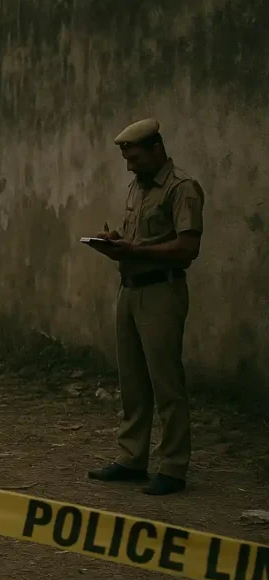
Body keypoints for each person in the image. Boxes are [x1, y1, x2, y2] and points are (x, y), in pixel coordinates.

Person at [84, 118, 204, 496]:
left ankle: (173, 466)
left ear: (156, 149)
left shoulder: (182, 189)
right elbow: (138, 235)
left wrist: (135, 251)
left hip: (161, 292)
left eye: (135, 157)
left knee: (165, 380)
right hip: (130, 290)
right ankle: (132, 457)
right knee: (132, 381)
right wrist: (114, 240)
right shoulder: (138, 186)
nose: (129, 166)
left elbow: (188, 247)